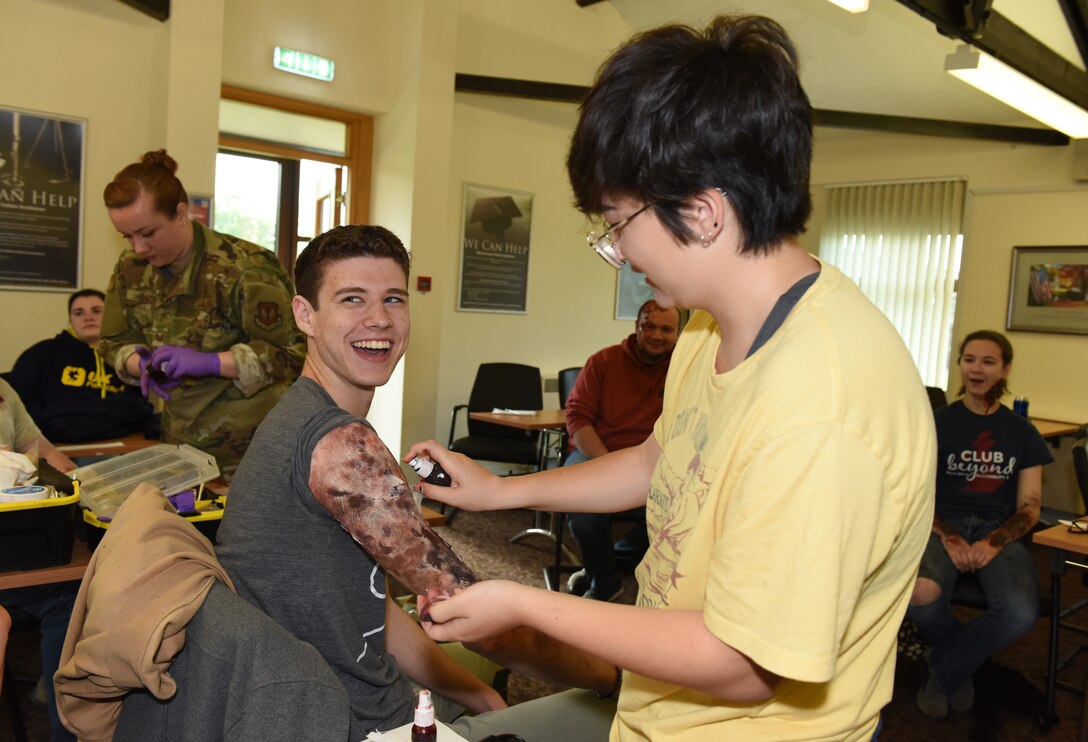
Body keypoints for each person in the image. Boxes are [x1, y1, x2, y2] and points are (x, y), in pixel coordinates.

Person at [408, 15, 936, 740]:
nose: (619, 252)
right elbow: (663, 461)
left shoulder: (824, 409)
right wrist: (501, 490)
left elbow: (743, 664)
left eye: (619, 222)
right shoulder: (712, 320)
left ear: (702, 211)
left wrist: (527, 603)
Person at [216, 224, 616, 742]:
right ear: (304, 315)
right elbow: (479, 615)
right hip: (337, 716)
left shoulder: (295, 413)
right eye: (352, 298)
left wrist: (476, 693)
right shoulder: (342, 449)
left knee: (485, 686)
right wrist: (614, 678)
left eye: (394, 298)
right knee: (615, 721)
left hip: (292, 690)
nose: (379, 319)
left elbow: (367, 603)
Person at [98, 150, 305, 480]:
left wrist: (211, 363)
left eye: (148, 233)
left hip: (252, 453)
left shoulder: (245, 269)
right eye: (128, 236)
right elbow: (111, 340)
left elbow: (294, 354)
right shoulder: (131, 269)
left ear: (181, 214)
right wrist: (142, 364)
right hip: (181, 449)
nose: (138, 248)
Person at [907, 330, 1051, 719]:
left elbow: (1031, 506)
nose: (977, 368)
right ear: (960, 365)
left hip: (997, 528)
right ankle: (963, 659)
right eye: (969, 359)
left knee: (1021, 613)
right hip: (941, 524)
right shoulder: (935, 422)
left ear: (1005, 369)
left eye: (988, 361)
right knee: (919, 593)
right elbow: (916, 492)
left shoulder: (1023, 433)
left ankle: (943, 669)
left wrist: (994, 542)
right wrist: (949, 535)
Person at [564, 299, 679, 601]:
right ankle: (604, 582)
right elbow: (578, 419)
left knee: (680, 505)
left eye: (666, 329)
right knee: (581, 508)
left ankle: (611, 561)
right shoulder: (603, 361)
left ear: (678, 333)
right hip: (597, 453)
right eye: (649, 326)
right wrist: (609, 467)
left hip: (655, 461)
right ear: (637, 327)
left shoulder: (684, 370)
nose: (656, 335)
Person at [0, 379, 77, 742]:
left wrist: (77, 481)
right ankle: (66, 720)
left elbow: (39, 448)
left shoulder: (3, 391)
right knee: (67, 597)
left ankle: (62, 693)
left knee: (85, 580)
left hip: (14, 542)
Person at [6, 289, 154, 443]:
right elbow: (19, 410)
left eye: (96, 311)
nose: (88, 317)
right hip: (60, 445)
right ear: (70, 320)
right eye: (79, 313)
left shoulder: (127, 358)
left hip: (122, 443)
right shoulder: (40, 354)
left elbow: (139, 408)